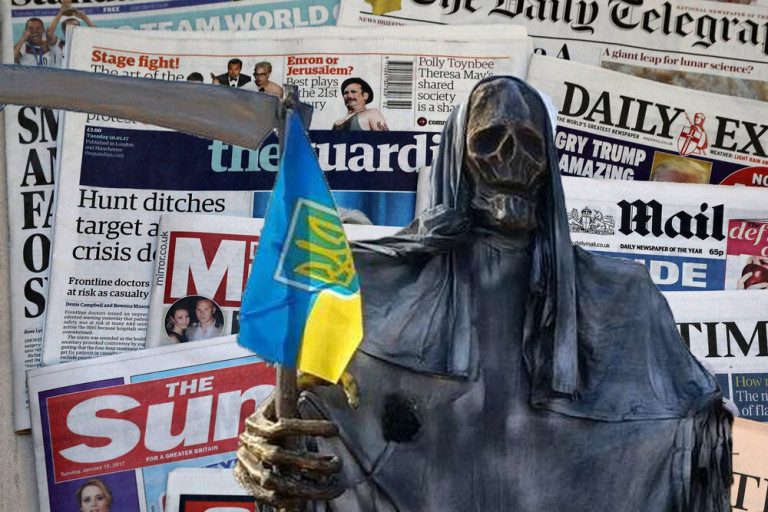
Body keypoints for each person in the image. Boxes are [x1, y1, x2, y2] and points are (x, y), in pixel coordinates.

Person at [235, 77, 731, 511]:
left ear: (548, 164)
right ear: (459, 157)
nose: (512, 162)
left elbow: (690, 433)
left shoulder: (625, 298)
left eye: (529, 144)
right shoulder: (364, 290)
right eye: (491, 142)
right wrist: (263, 449)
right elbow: (307, 427)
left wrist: (706, 435)